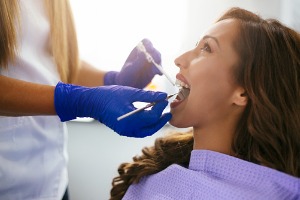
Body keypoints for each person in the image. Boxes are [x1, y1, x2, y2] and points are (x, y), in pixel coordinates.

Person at [110, 7, 300, 200]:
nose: (179, 60)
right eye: (196, 45)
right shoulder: (152, 174)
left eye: (207, 48)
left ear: (243, 91)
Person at [0, 0, 171, 200]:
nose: (180, 60)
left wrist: (111, 80)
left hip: (52, 181)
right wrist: (80, 101)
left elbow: (51, 60)